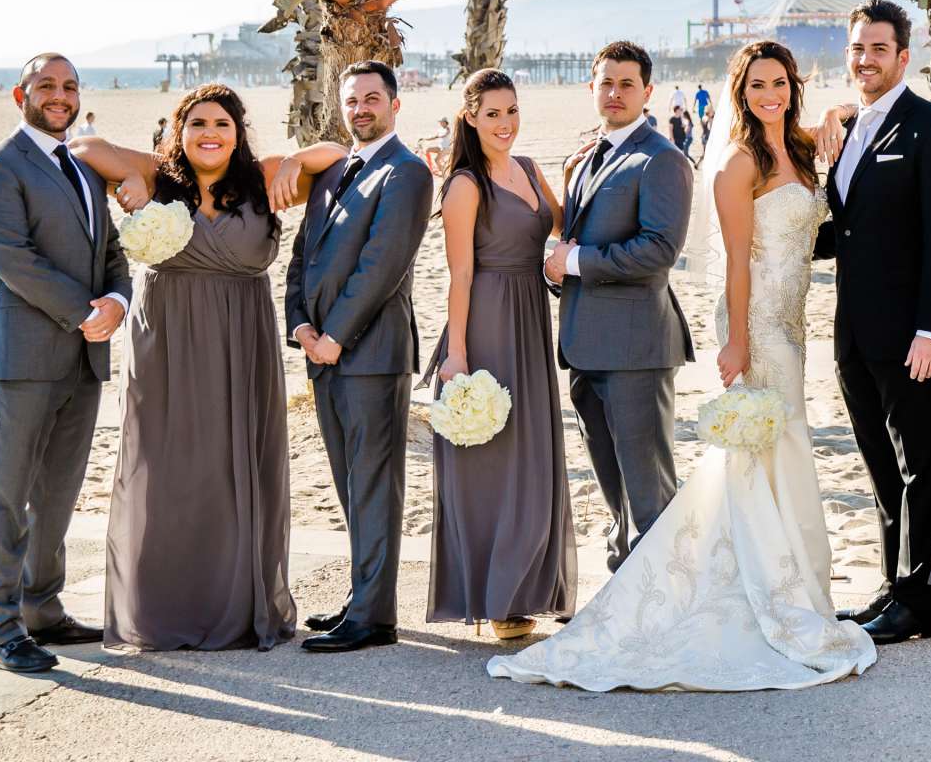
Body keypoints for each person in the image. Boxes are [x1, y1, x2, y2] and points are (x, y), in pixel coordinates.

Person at [493, 41, 874, 690]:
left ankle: (797, 591)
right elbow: (734, 262)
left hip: (793, 328)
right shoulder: (735, 163)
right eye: (756, 86)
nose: (769, 95)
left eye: (779, 83)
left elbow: (841, 125)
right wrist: (738, 345)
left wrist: (839, 112)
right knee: (758, 459)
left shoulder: (804, 148)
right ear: (739, 93)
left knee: (786, 456)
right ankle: (762, 596)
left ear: (793, 86)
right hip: (756, 328)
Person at [72, 87, 340, 651]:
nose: (209, 133)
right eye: (196, 123)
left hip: (241, 340)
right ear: (179, 131)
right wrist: (139, 182)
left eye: (222, 122)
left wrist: (295, 159)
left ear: (239, 131)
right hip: (165, 341)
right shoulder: (159, 175)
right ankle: (166, 605)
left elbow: (337, 154)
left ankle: (238, 604)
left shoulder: (265, 179)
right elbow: (86, 144)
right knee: (168, 464)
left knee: (233, 461)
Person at [0, 54, 131, 674]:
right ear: (20, 95)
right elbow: (14, 258)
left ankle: (41, 610)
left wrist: (117, 299)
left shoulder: (83, 170)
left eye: (69, 87)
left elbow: (110, 250)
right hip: (22, 356)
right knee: (4, 493)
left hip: (83, 357)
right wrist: (84, 311)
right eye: (47, 86)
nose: (59, 96)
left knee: (56, 494)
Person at [813, 0, 931, 645]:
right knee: (881, 463)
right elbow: (847, 230)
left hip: (915, 333)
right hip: (854, 332)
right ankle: (892, 586)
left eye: (878, 49)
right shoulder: (850, 131)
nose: (865, 59)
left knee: (923, 463)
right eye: (856, 49)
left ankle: (922, 601)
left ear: (903, 56)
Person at [283, 60, 436, 653]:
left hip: (370, 354)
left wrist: (335, 335)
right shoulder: (332, 172)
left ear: (395, 105)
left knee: (373, 483)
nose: (362, 109)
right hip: (321, 353)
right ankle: (361, 596)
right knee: (349, 484)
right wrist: (299, 322)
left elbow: (382, 265)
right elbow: (303, 256)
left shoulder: (407, 172)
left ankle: (375, 617)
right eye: (352, 101)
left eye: (373, 98)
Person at [424, 69, 576, 641]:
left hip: (530, 320)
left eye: (512, 111)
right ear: (470, 118)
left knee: (532, 454)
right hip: (486, 319)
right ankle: (496, 598)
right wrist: (457, 354)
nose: (505, 123)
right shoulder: (464, 185)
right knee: (492, 462)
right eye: (492, 114)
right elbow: (458, 275)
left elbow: (563, 224)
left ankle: (527, 589)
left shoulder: (532, 170)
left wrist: (574, 173)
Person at [545, 42, 695, 572]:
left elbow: (659, 250)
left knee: (649, 494)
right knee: (615, 493)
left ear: (647, 92)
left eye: (626, 84)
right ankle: (624, 593)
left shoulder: (663, 159)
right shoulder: (588, 159)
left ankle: (667, 607)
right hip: (585, 347)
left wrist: (577, 260)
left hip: (636, 349)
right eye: (605, 83)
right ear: (592, 88)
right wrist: (558, 269)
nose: (614, 93)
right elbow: (573, 244)